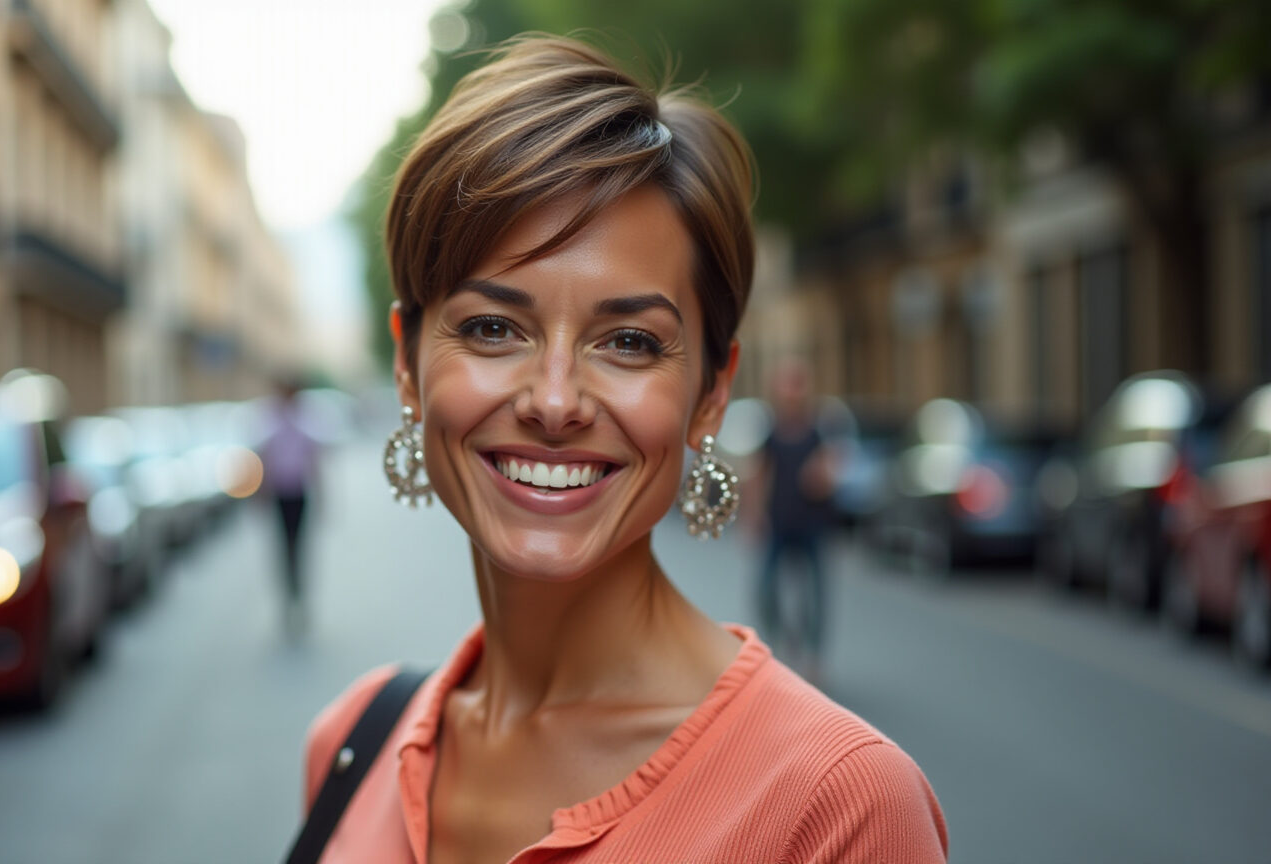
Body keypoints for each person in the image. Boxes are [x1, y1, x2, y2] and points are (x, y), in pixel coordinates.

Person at [298, 35, 946, 863]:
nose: (557, 401)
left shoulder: (837, 808)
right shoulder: (351, 748)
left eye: (631, 342)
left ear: (712, 391)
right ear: (407, 365)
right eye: (493, 328)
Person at [753, 359, 840, 684]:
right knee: (766, 590)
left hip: (812, 523)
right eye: (786, 384)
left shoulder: (819, 429)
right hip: (778, 522)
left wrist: (823, 474)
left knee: (815, 593)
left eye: (796, 384)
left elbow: (834, 467)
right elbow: (760, 474)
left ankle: (813, 655)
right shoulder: (771, 430)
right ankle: (781, 643)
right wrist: (755, 515)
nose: (791, 391)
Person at [259, 377, 321, 636]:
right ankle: (287, 600)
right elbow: (263, 458)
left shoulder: (304, 420)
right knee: (283, 549)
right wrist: (260, 493)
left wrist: (321, 494)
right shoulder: (268, 421)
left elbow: (313, 459)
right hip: (279, 494)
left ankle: (300, 599)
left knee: (300, 548)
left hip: (298, 493)